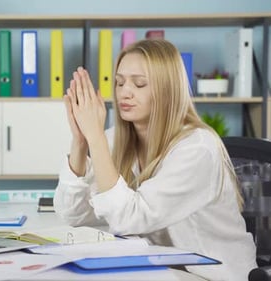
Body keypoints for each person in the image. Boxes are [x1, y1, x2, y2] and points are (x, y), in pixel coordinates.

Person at [53, 39, 257, 280]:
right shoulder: (115, 139)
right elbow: (73, 215)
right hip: (159, 265)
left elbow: (129, 219)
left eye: (139, 84)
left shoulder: (197, 148)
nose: (124, 92)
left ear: (167, 90)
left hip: (210, 273)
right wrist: (80, 141)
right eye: (119, 82)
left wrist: (95, 137)